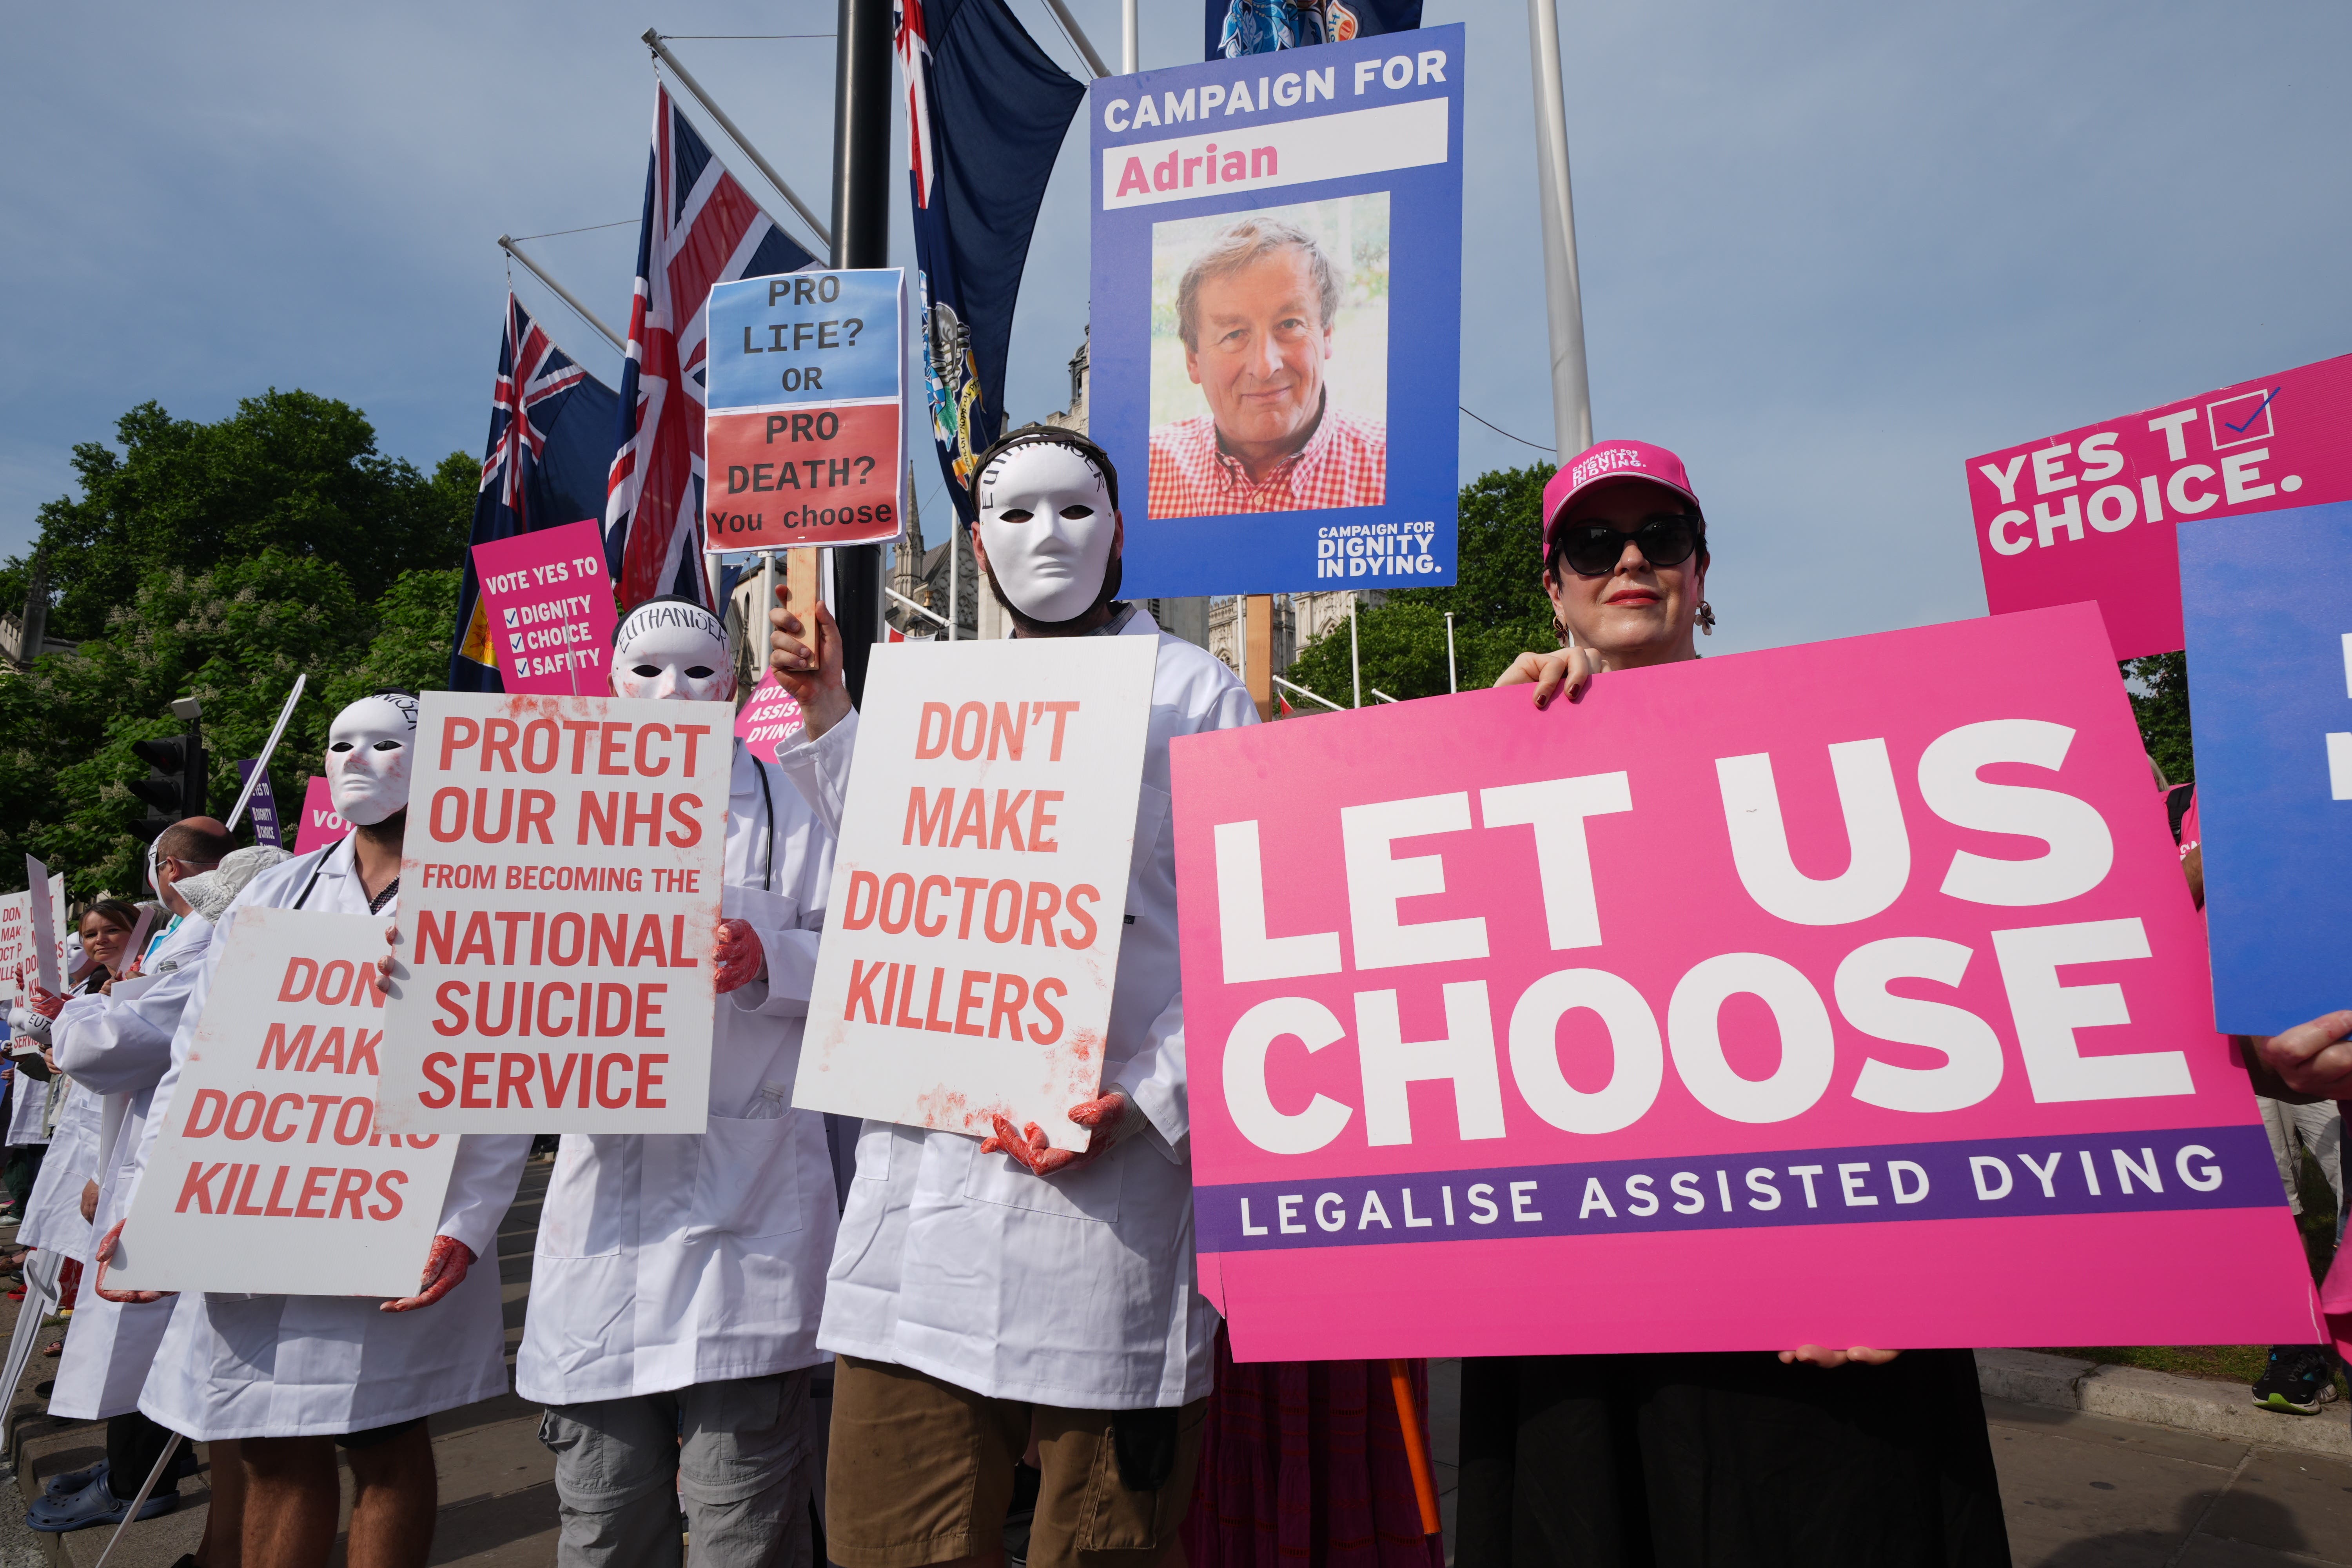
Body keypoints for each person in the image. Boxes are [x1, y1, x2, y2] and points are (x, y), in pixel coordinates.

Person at [1460, 439, 2011, 1568]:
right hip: (1590, 1310)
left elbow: (1929, 1005)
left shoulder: (1831, 750)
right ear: (1554, 583)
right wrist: (1485, 763)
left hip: (1812, 1299)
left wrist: (1903, 1260)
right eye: (1592, 542)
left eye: (1659, 539)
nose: (1628, 560)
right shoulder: (1490, 763)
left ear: (1700, 575)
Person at [770, 424, 1253, 1568]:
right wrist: (833, 712)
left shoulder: (1195, 694)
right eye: (1015, 514)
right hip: (921, 1222)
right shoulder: (930, 694)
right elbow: (897, 880)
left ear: (1120, 531)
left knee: (1097, 1544)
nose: (1046, 536)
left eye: (1073, 510)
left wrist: (1147, 1095)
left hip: (1106, 1215)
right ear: (977, 546)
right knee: (891, 1541)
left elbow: (1253, 935)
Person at [97, 692, 531, 1568]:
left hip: (398, 1210)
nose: (358, 761)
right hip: (259, 1204)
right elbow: (197, 1057)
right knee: (267, 1442)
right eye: (340, 745)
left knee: (383, 1436)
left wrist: (468, 1219)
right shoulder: (278, 890)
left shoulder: (488, 893)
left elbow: (503, 1067)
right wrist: (147, 1200)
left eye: (386, 744)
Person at [518, 597, 838, 1568]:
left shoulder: (795, 804)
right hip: (602, 1234)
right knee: (605, 1526)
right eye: (648, 670)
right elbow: (491, 1020)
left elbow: (872, 959)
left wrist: (770, 958)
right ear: (608, 688)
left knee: (744, 1527)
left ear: (736, 690)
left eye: (701, 671)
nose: (673, 691)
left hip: (747, 1228)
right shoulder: (544, 813)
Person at [1147, 217, 1385, 519]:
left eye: (1289, 324)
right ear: (1193, 359)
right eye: (1233, 334)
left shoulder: (1396, 468)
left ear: (1327, 334)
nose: (1265, 367)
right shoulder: (1141, 472)